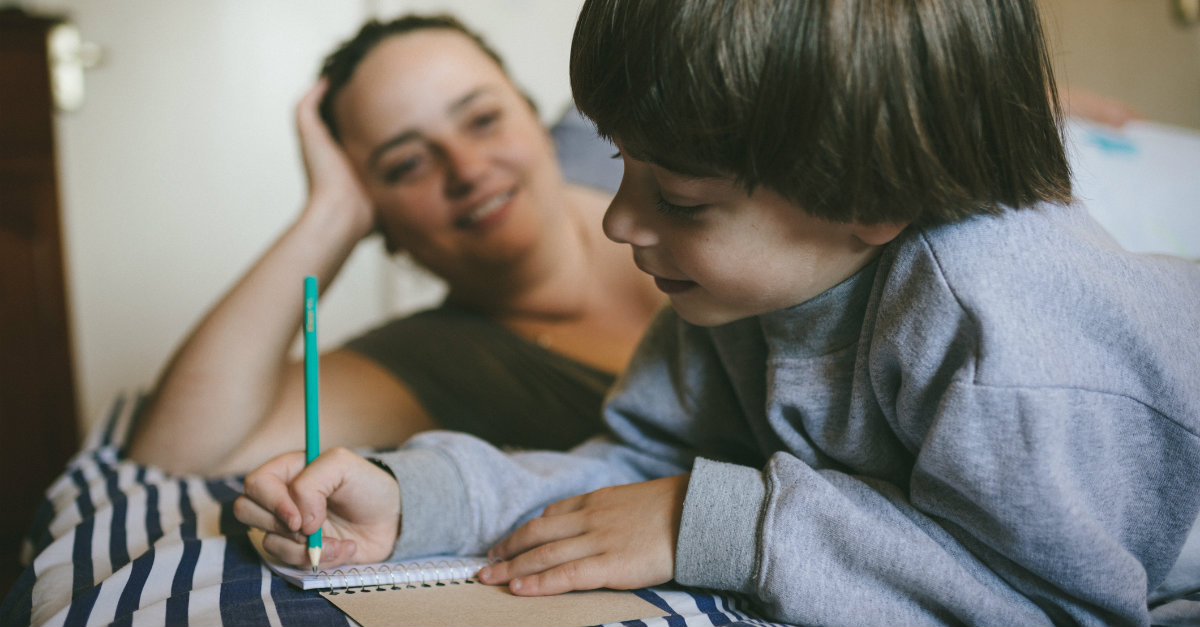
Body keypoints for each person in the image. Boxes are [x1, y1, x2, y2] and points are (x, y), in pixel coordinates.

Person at [234, 0, 1200, 624]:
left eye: (680, 200)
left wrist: (724, 521)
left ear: (868, 197)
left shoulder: (1014, 337)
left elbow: (1048, 600)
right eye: (619, 167)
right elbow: (634, 476)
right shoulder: (740, 298)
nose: (618, 222)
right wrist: (420, 501)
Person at [126, 14, 663, 476]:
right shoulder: (433, 360)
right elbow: (179, 450)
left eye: (482, 120)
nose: (467, 169)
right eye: (406, 164)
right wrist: (329, 216)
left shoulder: (676, 172)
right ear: (377, 220)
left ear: (534, 118)